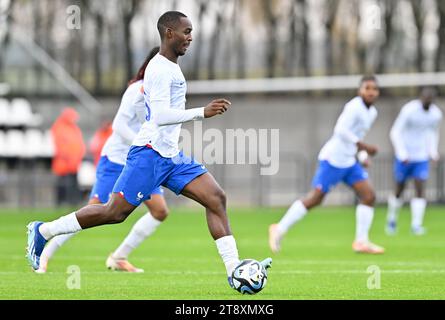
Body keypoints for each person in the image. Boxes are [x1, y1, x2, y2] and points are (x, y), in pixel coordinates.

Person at [26, 11, 271, 287]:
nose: (190, 37)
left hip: (169, 155)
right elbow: (161, 116)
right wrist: (202, 112)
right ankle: (44, 230)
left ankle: (234, 270)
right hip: (149, 154)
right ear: (169, 33)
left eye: (191, 32)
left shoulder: (172, 67)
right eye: (186, 32)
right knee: (112, 213)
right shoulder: (158, 69)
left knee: (215, 198)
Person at [35, 47, 169, 274]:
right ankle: (44, 251)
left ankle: (119, 257)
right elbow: (118, 126)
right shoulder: (136, 90)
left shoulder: (162, 92)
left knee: (159, 211)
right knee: (94, 210)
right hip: (117, 160)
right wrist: (143, 142)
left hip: (142, 163)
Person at [269, 75, 385, 255]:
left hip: (349, 161)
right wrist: (364, 147)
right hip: (333, 159)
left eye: (374, 89)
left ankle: (361, 242)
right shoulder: (354, 107)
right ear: (359, 90)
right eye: (367, 88)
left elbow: (357, 135)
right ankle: (279, 228)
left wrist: (362, 155)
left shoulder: (372, 112)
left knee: (369, 196)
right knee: (316, 198)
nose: (371, 92)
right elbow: (340, 130)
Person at [385, 87, 442, 236]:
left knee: (420, 188)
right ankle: (391, 220)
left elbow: (433, 133)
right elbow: (395, 131)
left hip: (421, 157)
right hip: (404, 156)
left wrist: (433, 151)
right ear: (420, 98)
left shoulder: (436, 114)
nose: (427, 101)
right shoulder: (409, 110)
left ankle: (416, 225)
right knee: (399, 189)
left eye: (430, 99)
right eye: (425, 98)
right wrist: (402, 153)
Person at [50, 107, 85, 206]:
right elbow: (60, 145)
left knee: (73, 183)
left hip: (74, 162)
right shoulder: (59, 127)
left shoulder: (74, 128)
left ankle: (73, 202)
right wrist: (68, 157)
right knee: (62, 183)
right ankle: (60, 202)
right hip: (63, 162)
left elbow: (79, 143)